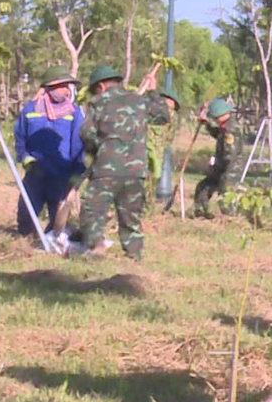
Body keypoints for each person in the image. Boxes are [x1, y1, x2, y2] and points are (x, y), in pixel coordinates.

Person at [77, 64, 169, 259]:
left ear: (100, 86)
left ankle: (96, 247)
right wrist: (153, 91)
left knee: (92, 209)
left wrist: (96, 150)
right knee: (131, 214)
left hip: (106, 169)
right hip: (136, 170)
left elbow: (87, 133)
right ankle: (134, 254)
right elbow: (162, 116)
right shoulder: (139, 100)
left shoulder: (98, 102)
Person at [13, 68, 85, 236]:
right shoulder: (30, 110)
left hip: (61, 174)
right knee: (26, 212)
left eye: (68, 87)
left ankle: (52, 240)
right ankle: (25, 239)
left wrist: (76, 174)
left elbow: (78, 144)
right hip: (35, 172)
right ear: (50, 87)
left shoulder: (73, 113)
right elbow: (20, 136)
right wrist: (24, 157)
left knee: (58, 219)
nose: (66, 91)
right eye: (63, 86)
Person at [193, 98, 245, 218]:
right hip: (221, 167)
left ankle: (229, 219)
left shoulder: (230, 130)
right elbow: (217, 134)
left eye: (215, 118)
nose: (214, 120)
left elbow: (230, 155)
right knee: (203, 188)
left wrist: (214, 167)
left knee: (226, 195)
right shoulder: (224, 127)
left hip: (230, 169)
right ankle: (201, 214)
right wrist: (206, 124)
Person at [146, 86, 181, 206]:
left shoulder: (169, 114)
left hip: (157, 147)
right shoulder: (170, 114)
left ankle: (148, 203)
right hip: (158, 147)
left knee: (151, 176)